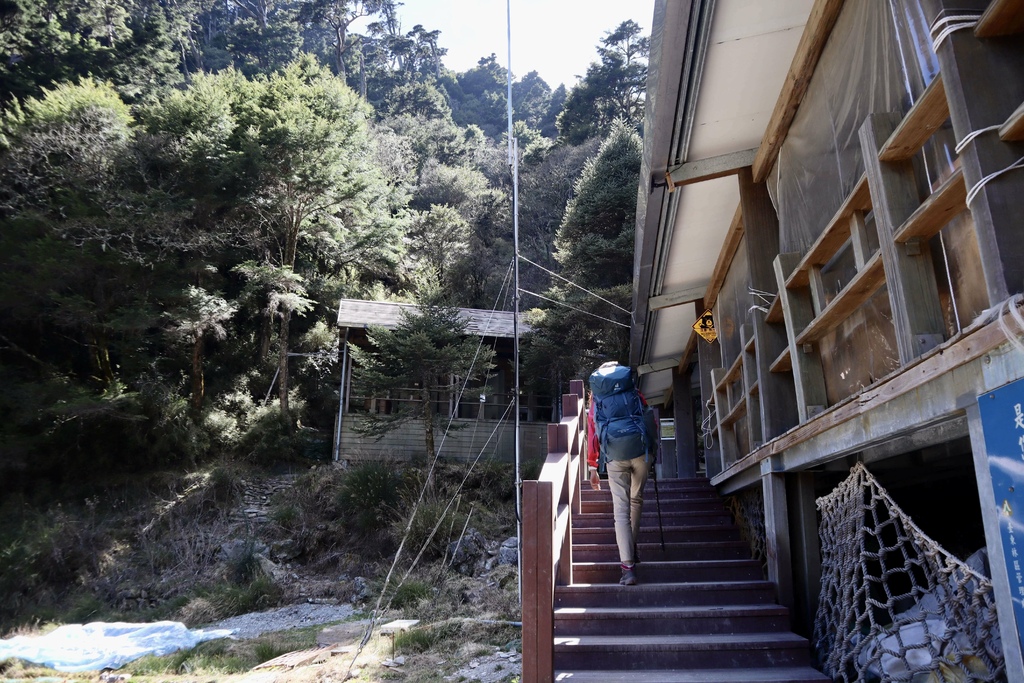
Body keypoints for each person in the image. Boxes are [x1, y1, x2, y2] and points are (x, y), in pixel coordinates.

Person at [586, 363, 656, 586]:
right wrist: (652, 450)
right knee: (636, 500)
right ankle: (631, 550)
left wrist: (593, 466)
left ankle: (628, 568)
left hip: (615, 456)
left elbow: (593, 433)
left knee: (621, 511)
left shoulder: (597, 400)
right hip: (641, 452)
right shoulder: (633, 392)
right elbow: (648, 419)